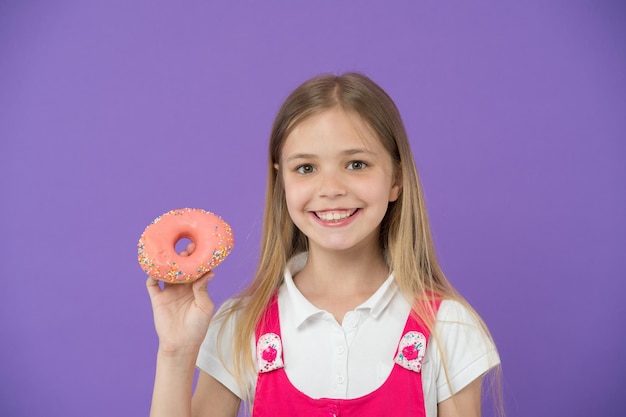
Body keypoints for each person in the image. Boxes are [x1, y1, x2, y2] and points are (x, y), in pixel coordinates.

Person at [146, 73, 501, 417]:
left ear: (396, 179)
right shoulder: (241, 325)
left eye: (356, 164)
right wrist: (176, 352)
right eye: (305, 168)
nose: (330, 188)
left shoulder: (447, 327)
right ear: (281, 181)